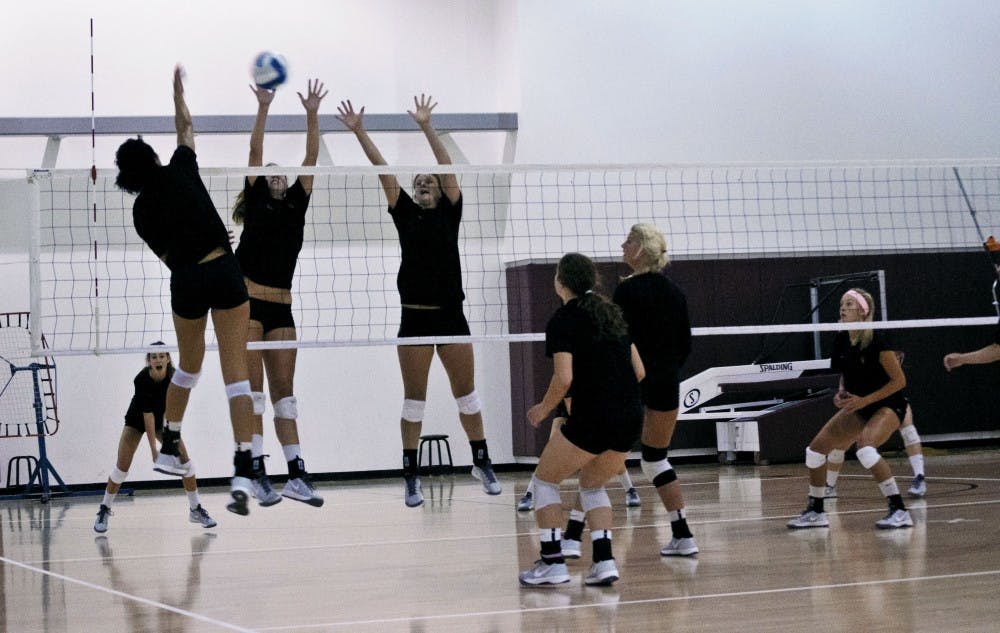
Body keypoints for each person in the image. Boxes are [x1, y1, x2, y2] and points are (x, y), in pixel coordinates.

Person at [337, 95, 501, 507]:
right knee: (414, 401)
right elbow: (383, 172)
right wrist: (359, 132)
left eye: (430, 182)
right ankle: (410, 474)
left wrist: (428, 126)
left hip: (450, 317)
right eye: (419, 183)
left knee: (468, 397)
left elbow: (446, 168)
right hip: (414, 318)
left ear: (442, 191)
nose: (424, 185)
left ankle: (481, 460)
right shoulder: (405, 212)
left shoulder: (451, 211)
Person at [114, 65, 256, 516]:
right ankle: (244, 466)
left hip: (187, 279)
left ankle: (171, 440)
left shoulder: (139, 212)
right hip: (222, 268)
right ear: (154, 157)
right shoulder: (180, 166)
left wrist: (196, 250)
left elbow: (169, 258)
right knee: (237, 372)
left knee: (188, 367)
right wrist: (177, 93)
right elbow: (186, 126)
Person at [519, 253, 644, 587]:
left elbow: (563, 378)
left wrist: (543, 409)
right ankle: (604, 562)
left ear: (561, 281)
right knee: (592, 485)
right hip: (631, 416)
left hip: (595, 415)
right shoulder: (612, 314)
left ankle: (552, 563)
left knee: (545, 482)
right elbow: (640, 371)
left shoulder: (563, 319)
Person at [232, 79, 328, 508]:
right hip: (250, 304)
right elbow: (254, 152)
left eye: (279, 170)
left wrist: (311, 114)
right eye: (269, 170)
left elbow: (311, 157)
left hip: (283, 309)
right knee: (253, 393)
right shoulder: (255, 200)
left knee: (284, 394)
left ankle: (296, 474)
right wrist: (263, 107)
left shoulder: (296, 202)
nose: (276, 171)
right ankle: (256, 471)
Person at [787, 288, 913, 530]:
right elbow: (845, 373)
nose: (842, 309)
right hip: (859, 403)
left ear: (863, 312)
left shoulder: (878, 340)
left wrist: (865, 401)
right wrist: (841, 392)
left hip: (888, 404)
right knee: (815, 452)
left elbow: (899, 382)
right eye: (842, 304)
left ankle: (899, 510)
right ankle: (816, 511)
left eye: (848, 305)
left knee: (865, 450)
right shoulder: (842, 338)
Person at [614, 223, 698, 556]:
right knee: (655, 461)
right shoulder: (675, 292)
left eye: (628, 241)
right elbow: (685, 345)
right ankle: (683, 535)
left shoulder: (627, 291)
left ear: (641, 249)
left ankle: (574, 541)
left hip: (632, 385)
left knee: (602, 459)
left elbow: (620, 341)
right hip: (666, 382)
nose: (622, 245)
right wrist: (665, 370)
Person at [94, 343, 216, 533]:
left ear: (168, 358)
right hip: (136, 421)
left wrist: (171, 439)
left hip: (163, 421)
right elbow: (147, 416)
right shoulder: (141, 379)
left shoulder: (175, 377)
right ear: (149, 361)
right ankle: (104, 508)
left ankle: (195, 509)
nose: (158, 360)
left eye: (161, 356)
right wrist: (154, 451)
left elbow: (173, 409)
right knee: (121, 468)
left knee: (186, 461)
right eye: (154, 357)